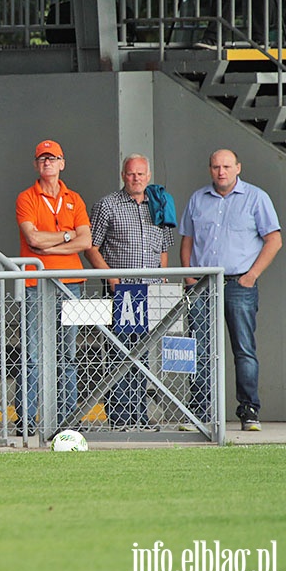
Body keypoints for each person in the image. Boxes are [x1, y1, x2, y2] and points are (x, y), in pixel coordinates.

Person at [179, 149, 281, 432]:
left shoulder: (256, 198)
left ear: (238, 167)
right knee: (199, 348)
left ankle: (249, 411)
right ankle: (199, 412)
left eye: (226, 166)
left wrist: (252, 275)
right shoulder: (198, 199)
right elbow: (187, 240)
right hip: (202, 286)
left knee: (244, 350)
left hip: (240, 284)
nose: (220, 171)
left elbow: (274, 240)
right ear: (210, 169)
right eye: (215, 167)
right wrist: (189, 275)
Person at [85, 154, 175, 430]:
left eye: (141, 174)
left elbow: (164, 248)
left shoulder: (159, 204)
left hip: (151, 290)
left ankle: (139, 415)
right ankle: (121, 417)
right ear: (123, 175)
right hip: (121, 291)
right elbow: (91, 246)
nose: (136, 178)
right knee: (119, 353)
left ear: (148, 176)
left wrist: (161, 283)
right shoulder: (107, 205)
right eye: (131, 173)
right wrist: (112, 279)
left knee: (144, 355)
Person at [15, 139, 91, 435]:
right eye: (42, 159)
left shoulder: (75, 198)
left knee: (67, 354)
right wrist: (67, 237)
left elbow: (86, 242)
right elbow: (32, 240)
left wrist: (53, 244)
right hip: (36, 284)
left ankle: (67, 419)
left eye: (53, 158)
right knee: (34, 354)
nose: (47, 163)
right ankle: (27, 420)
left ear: (62, 163)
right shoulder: (26, 198)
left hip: (72, 284)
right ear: (36, 164)